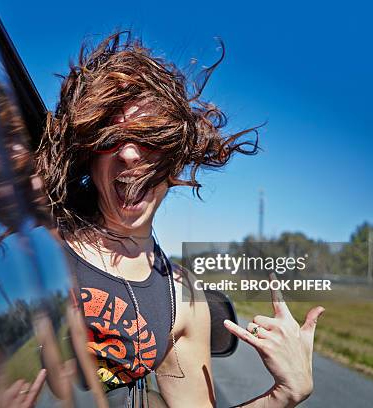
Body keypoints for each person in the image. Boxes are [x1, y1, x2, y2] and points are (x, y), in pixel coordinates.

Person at [34, 31, 325, 407]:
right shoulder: (37, 237)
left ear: (175, 160)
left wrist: (284, 394)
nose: (127, 153)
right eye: (109, 136)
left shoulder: (182, 298)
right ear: (88, 151)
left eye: (148, 137)